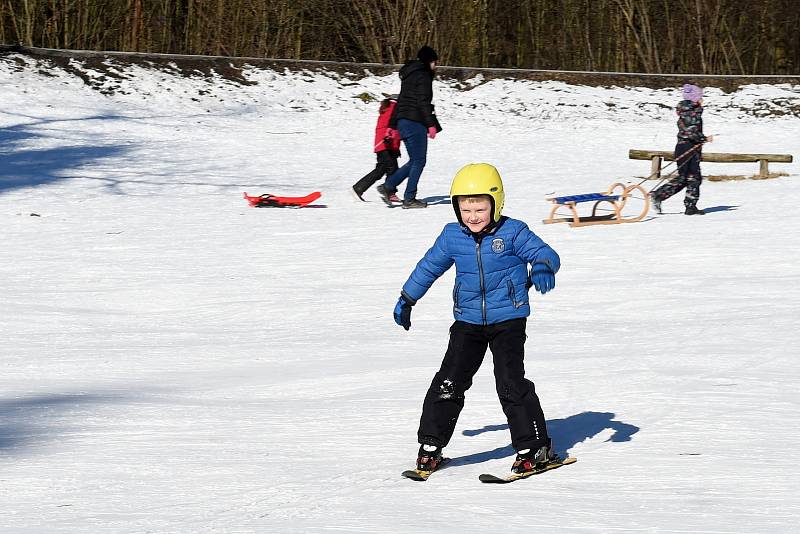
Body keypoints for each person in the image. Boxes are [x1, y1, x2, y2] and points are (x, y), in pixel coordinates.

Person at [393, 163, 562, 475]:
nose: (472, 216)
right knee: (448, 381)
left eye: (480, 208)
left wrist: (541, 267)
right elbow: (429, 267)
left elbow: (547, 254)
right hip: (467, 322)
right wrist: (407, 298)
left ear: (496, 205)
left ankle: (535, 448)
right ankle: (431, 446)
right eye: (465, 208)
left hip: (508, 320)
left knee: (510, 383)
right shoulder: (452, 236)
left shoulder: (513, 232)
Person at [377, 45, 442, 209]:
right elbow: (423, 102)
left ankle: (389, 186)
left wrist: (392, 125)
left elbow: (401, 102)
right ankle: (409, 198)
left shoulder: (409, 75)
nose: (436, 66)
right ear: (429, 61)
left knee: (414, 161)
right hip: (416, 123)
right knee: (419, 161)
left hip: (403, 122)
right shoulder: (424, 76)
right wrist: (430, 124)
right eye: (434, 62)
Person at [650, 83, 714, 215]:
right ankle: (659, 195)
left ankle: (689, 206)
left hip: (685, 147)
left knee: (690, 178)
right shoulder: (692, 112)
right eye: (701, 97)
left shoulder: (689, 110)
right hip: (687, 147)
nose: (703, 99)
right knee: (689, 177)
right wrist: (704, 138)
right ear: (695, 98)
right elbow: (690, 132)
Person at [351, 96, 402, 201]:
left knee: (383, 169)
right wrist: (389, 139)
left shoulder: (390, 106)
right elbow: (388, 126)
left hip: (386, 143)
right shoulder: (393, 107)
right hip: (386, 143)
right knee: (391, 168)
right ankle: (388, 191)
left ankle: (359, 189)